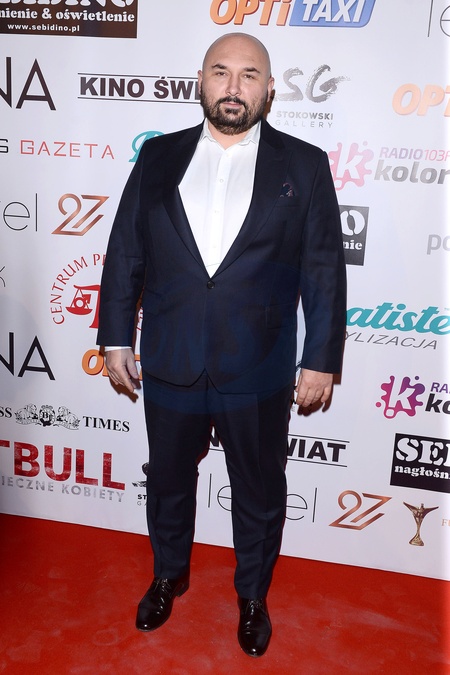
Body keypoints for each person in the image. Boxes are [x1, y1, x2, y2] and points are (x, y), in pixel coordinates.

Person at [97, 32, 346, 658]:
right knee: (167, 479)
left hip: (258, 365)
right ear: (201, 80)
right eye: (221, 72)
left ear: (270, 88)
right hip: (171, 356)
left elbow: (323, 268)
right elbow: (126, 250)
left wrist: (321, 358)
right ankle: (167, 576)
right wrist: (116, 336)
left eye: (249, 74)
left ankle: (253, 596)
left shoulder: (305, 164)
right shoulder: (158, 156)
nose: (233, 87)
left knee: (258, 490)